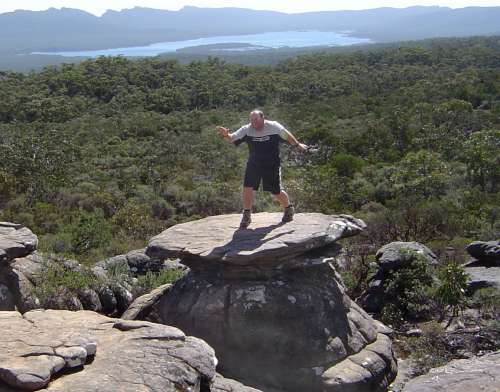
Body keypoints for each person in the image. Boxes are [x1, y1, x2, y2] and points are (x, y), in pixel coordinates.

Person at [216, 110, 309, 229]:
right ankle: (246, 214)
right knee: (247, 187)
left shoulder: (274, 126)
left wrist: (298, 145)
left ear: (263, 118)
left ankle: (288, 208)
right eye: (251, 120)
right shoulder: (247, 129)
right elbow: (233, 138)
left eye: (256, 120)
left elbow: (286, 135)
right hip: (254, 163)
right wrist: (225, 135)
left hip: (272, 164)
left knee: (276, 191)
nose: (253, 122)